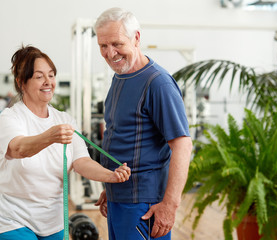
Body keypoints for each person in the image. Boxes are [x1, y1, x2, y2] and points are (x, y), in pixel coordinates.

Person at [0, 45, 131, 240]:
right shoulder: (10, 117)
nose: (48, 82)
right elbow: (18, 148)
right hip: (12, 216)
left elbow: (81, 162)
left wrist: (111, 176)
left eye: (51, 75)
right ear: (22, 82)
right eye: (39, 77)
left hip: (51, 218)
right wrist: (49, 136)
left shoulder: (65, 119)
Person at [93, 7, 193, 240]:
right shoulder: (119, 77)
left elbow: (182, 146)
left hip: (143, 204)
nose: (110, 53)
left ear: (136, 38)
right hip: (120, 198)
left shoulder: (158, 84)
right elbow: (120, 135)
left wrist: (170, 205)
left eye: (117, 44)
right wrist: (110, 186)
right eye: (103, 46)